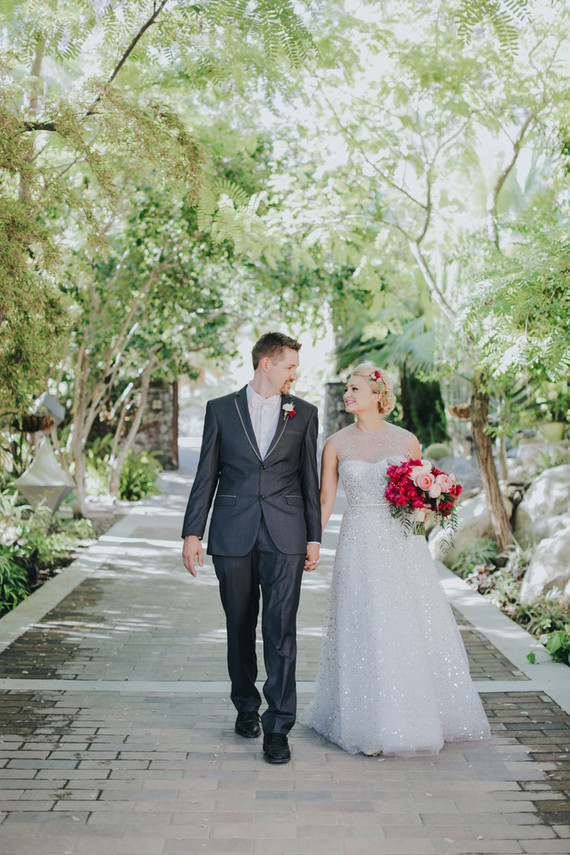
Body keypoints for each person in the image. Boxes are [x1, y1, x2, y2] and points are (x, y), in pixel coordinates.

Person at [300, 362, 490, 757]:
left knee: (404, 624)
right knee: (363, 622)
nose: (348, 395)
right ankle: (366, 722)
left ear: (377, 396)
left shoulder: (407, 441)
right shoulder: (335, 444)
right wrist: (312, 541)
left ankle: (411, 717)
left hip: (401, 544)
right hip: (357, 541)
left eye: (354, 389)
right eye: (347, 389)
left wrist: (431, 508)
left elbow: (421, 498)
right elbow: (325, 500)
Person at [182, 332, 321, 764]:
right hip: (232, 532)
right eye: (290, 366)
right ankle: (246, 706)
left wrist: (314, 537)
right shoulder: (220, 410)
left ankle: (278, 727)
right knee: (240, 625)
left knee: (281, 631)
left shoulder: (304, 413)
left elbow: (308, 481)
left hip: (286, 534)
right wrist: (192, 533)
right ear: (266, 363)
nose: (294, 374)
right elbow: (206, 473)